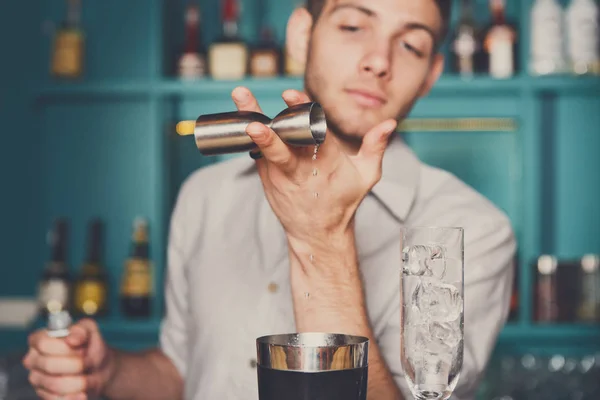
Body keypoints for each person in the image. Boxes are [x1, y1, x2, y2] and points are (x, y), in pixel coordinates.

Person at [22, 0, 516, 399]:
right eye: (351, 25)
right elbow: (181, 372)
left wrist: (322, 241)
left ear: (430, 74)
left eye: (409, 43)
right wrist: (108, 373)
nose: (378, 60)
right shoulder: (206, 195)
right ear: (302, 34)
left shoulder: (474, 229)